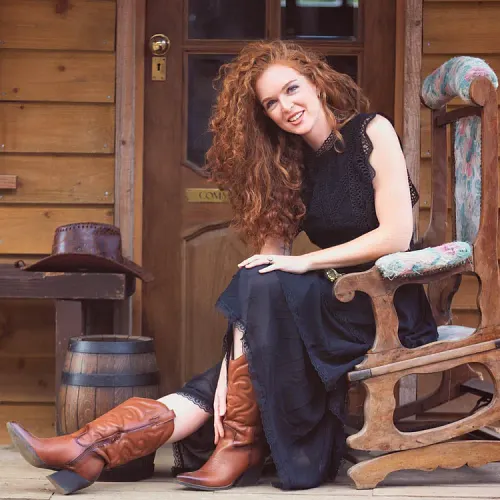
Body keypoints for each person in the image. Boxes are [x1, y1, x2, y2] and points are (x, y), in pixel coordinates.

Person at [6, 40, 438, 495]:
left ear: (316, 82)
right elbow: (261, 269)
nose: (286, 107)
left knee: (274, 282)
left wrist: (305, 261)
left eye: (292, 89)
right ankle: (101, 448)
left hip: (384, 304)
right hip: (331, 302)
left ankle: (94, 447)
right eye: (271, 103)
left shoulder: (372, 131)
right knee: (259, 281)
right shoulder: (286, 164)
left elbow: (396, 237)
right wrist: (234, 365)